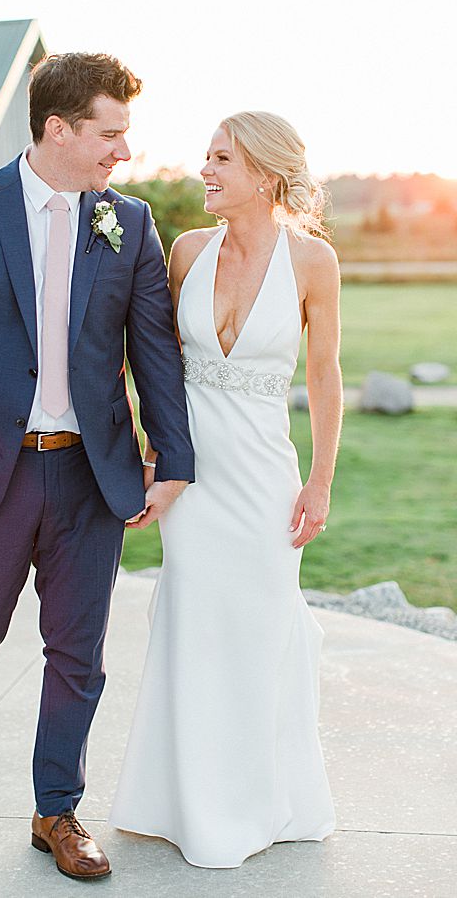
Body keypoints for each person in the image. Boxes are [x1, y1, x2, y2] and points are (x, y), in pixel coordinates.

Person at [0, 52, 195, 879]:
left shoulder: (127, 223)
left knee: (79, 654)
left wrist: (171, 458)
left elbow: (154, 352)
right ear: (57, 128)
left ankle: (56, 811)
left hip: (92, 477)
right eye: (110, 132)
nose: (122, 152)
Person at [109, 112, 340, 867]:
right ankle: (189, 803)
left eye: (221, 159)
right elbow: (157, 363)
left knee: (263, 625)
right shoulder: (187, 251)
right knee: (193, 623)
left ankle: (261, 797)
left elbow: (324, 375)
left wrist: (320, 480)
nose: (204, 170)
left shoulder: (313, 262)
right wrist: (154, 455)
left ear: (265, 173)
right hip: (194, 479)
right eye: (206, 157)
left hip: (266, 479)